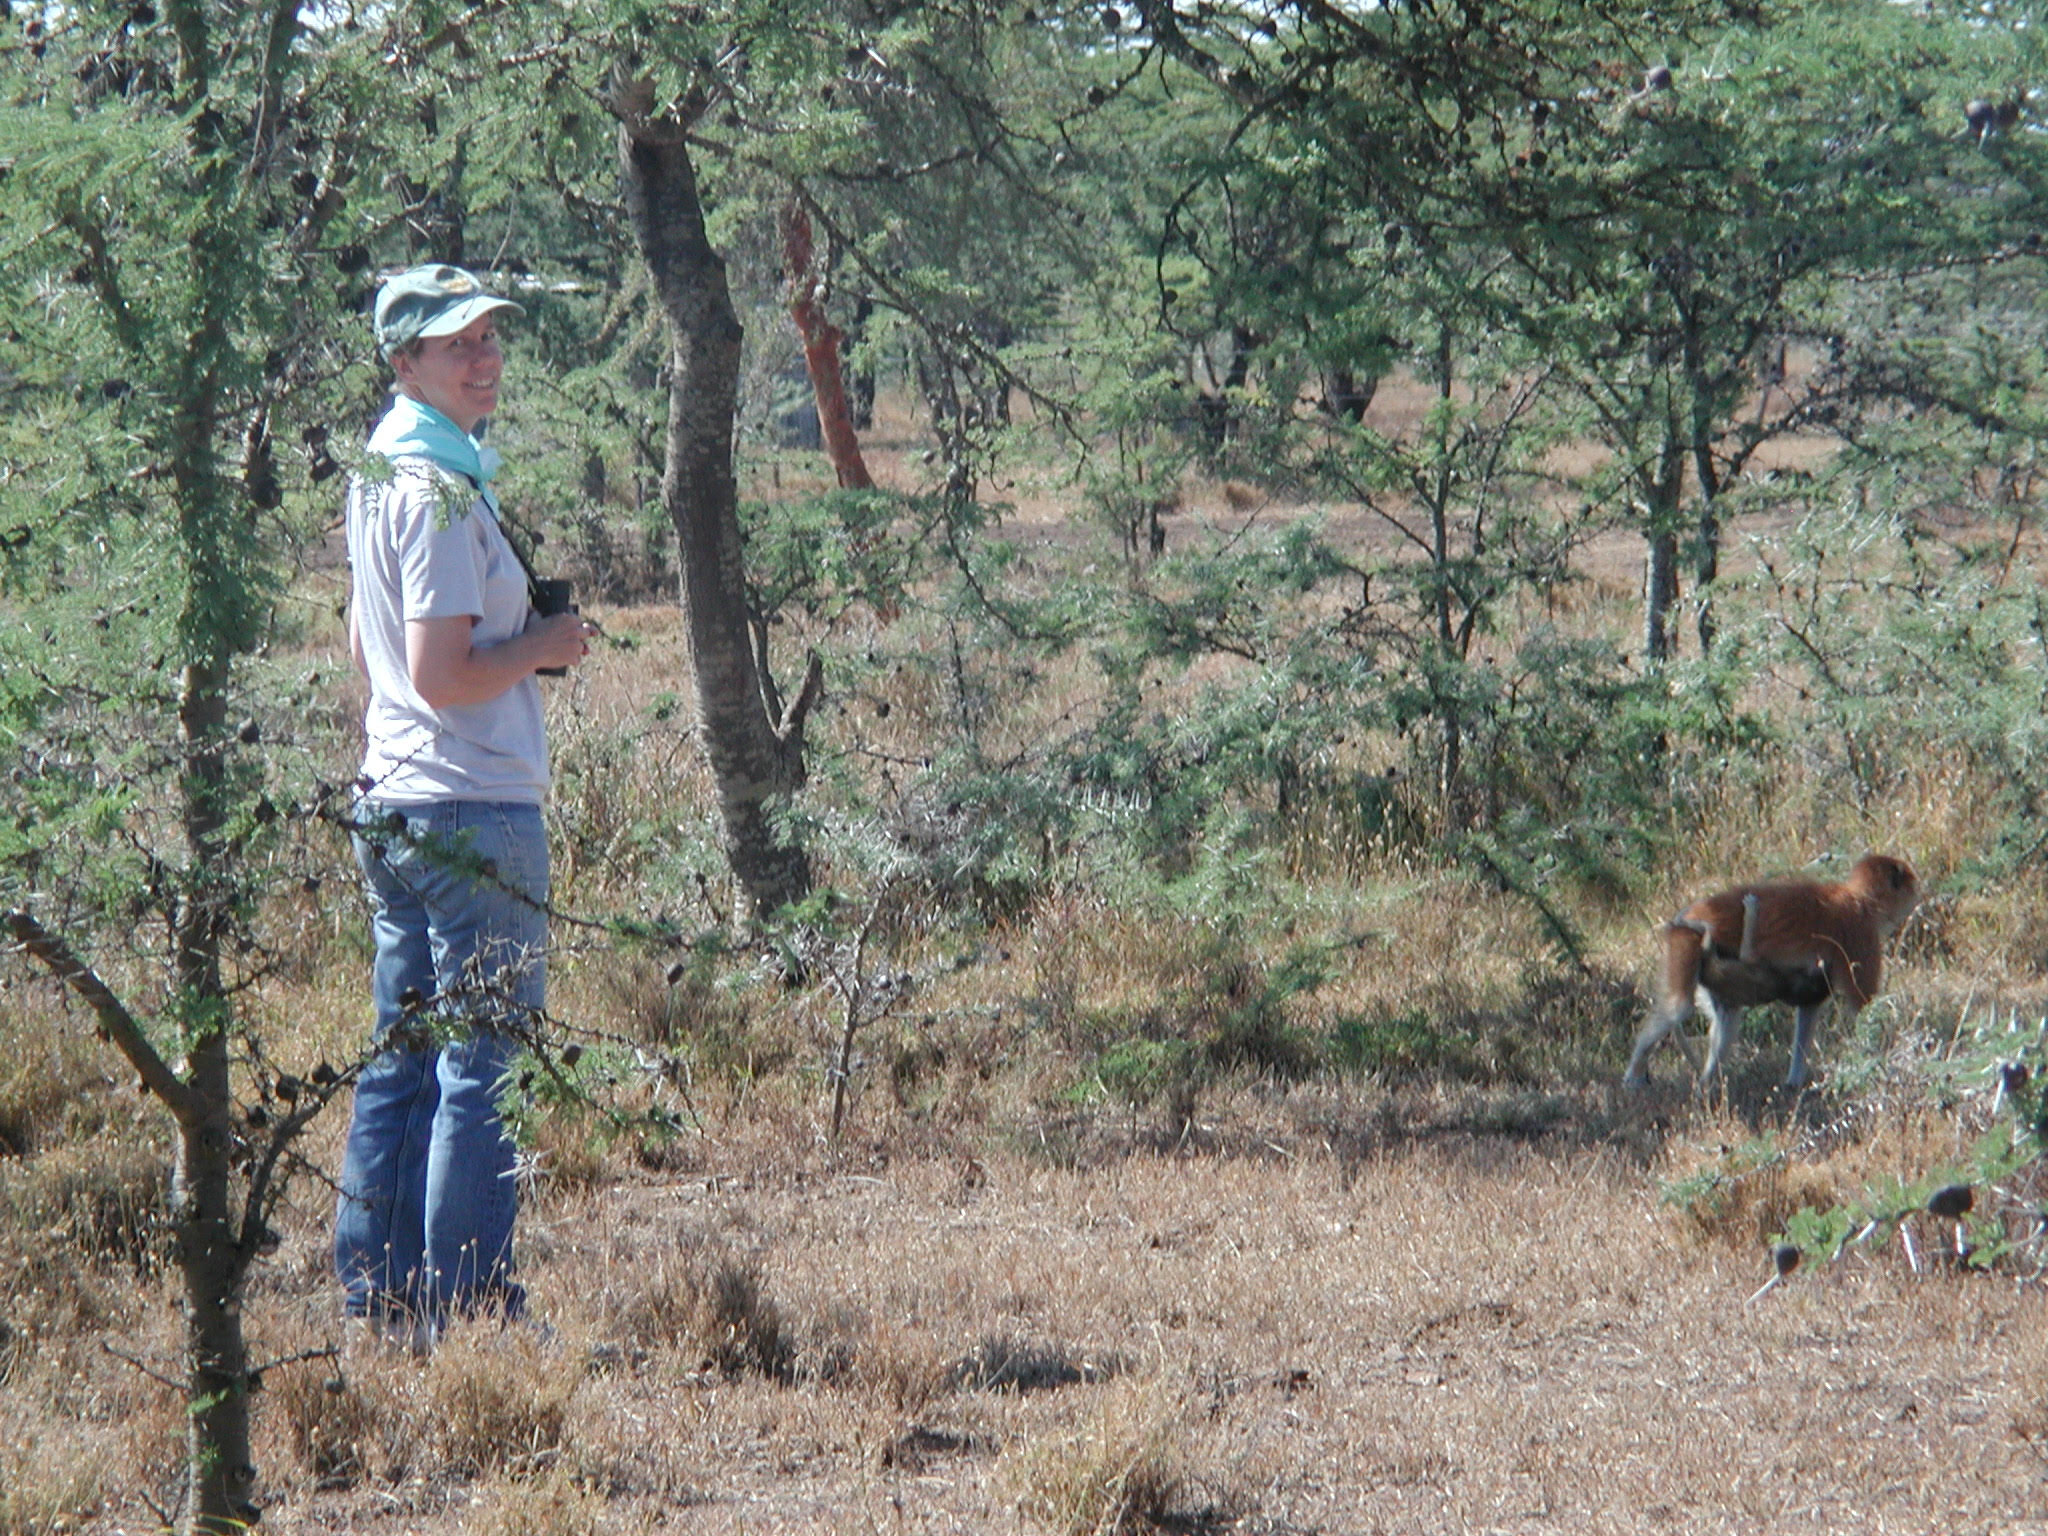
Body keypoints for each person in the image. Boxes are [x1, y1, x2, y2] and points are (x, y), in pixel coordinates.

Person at [333, 264, 591, 1348]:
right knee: (481, 1069)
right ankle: (475, 1315)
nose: (483, 357)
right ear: (403, 362)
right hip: (468, 810)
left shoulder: (384, 467)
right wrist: (544, 647)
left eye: (489, 335)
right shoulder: (437, 487)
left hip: (392, 800)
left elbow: (370, 655)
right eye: (455, 344)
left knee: (402, 1062)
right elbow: (441, 673)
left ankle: (381, 1311)